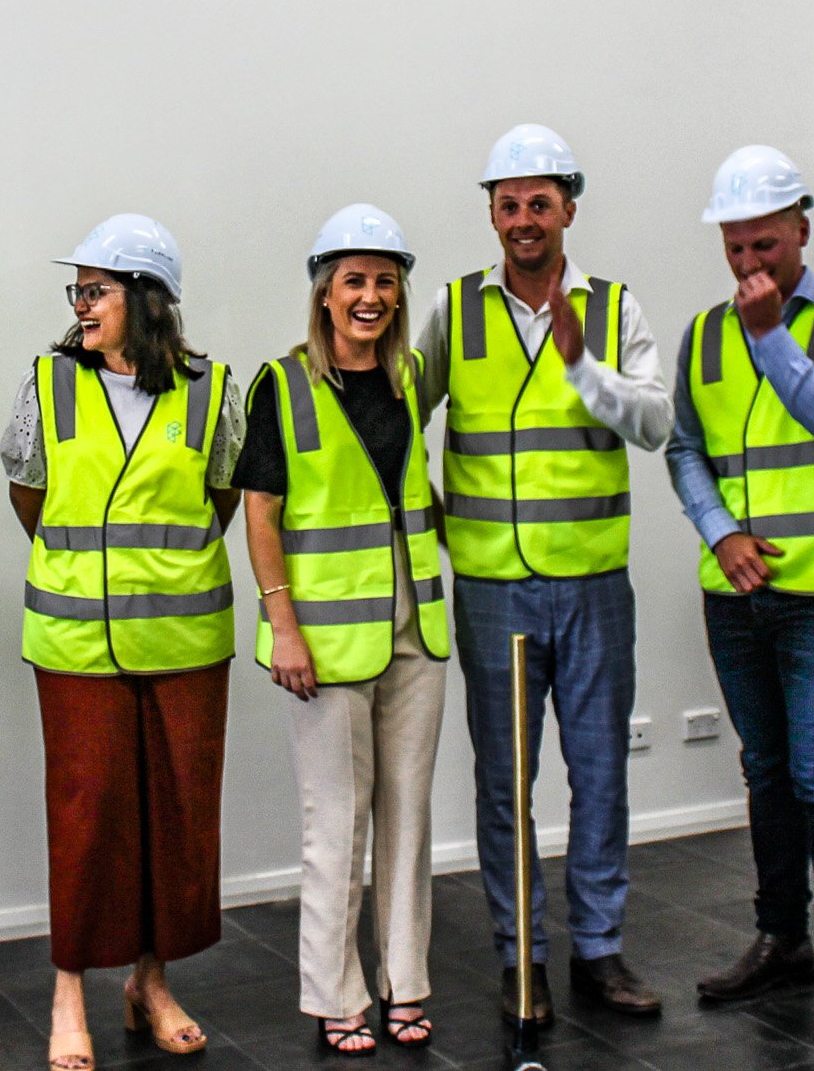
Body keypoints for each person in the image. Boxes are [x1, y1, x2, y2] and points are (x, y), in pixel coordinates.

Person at [416, 124, 672, 1022]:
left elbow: (655, 424)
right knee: (505, 785)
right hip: (494, 591)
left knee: (600, 774)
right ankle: (519, 956)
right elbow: (397, 414)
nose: (524, 219)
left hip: (594, 584)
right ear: (491, 214)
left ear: (569, 208)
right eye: (508, 204)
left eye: (539, 203)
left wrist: (581, 365)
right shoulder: (453, 309)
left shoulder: (614, 309)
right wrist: (430, 519)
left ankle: (600, 951)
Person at [0, 215, 244, 1071]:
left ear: (147, 298)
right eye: (78, 290)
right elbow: (29, 493)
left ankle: (151, 982)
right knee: (86, 816)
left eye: (96, 290)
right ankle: (69, 992)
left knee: (175, 817)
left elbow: (222, 497)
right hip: (76, 643)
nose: (80, 303)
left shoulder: (213, 390)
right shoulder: (48, 383)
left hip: (185, 642)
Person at [664, 147, 814, 1046]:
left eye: (765, 244)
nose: (749, 263)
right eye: (735, 248)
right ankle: (781, 939)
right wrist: (720, 531)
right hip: (735, 594)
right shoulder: (702, 334)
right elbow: (685, 448)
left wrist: (771, 337)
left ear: (802, 227)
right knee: (764, 771)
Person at [237, 205, 450, 1056]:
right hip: (323, 637)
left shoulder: (410, 376)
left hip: (415, 625)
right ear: (324, 293)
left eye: (384, 282)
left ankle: (407, 981)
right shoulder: (281, 384)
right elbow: (260, 512)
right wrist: (281, 625)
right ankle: (334, 994)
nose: (370, 297)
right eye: (354, 281)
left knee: (409, 815)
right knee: (337, 823)